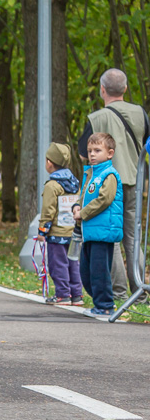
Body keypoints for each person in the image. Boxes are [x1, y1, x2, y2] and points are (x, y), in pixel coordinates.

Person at [77, 68, 149, 302]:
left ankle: (117, 293)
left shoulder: (97, 118)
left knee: (111, 235)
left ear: (102, 89)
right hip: (136, 183)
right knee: (132, 235)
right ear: (125, 89)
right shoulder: (141, 113)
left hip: (108, 183)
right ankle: (139, 292)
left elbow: (82, 154)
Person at [71, 133, 124, 319]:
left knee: (99, 271)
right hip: (90, 232)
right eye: (90, 151)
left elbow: (104, 200)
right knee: (86, 271)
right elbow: (83, 195)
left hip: (103, 231)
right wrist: (77, 206)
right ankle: (99, 301)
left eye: (97, 150)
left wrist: (82, 213)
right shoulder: (91, 173)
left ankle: (106, 306)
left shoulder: (108, 174)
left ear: (110, 153)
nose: (92, 154)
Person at [38, 143, 83, 306]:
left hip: (56, 234)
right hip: (73, 233)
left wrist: (42, 231)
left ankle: (63, 294)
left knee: (58, 264)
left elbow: (48, 211)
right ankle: (77, 295)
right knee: (73, 263)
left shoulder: (52, 186)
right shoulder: (75, 183)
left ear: (49, 162)